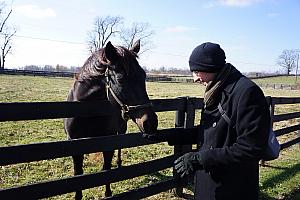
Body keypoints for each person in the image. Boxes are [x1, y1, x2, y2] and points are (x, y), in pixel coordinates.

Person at [147, 42, 270, 200]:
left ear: (212, 67)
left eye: (197, 71)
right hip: (211, 185)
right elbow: (210, 132)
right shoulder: (216, 89)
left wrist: (200, 158)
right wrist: (169, 135)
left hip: (233, 187)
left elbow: (251, 148)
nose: (195, 79)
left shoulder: (247, 93)